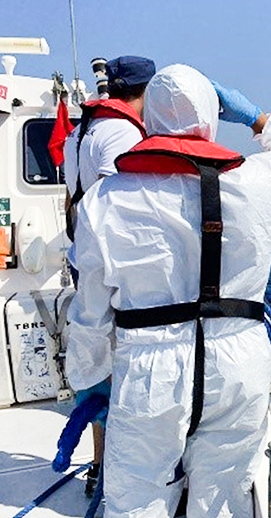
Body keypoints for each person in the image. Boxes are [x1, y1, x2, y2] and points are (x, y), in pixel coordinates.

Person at [65, 64, 271, 517]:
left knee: (136, 503)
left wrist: (89, 382)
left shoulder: (104, 200)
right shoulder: (256, 183)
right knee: (224, 501)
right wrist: (256, 118)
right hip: (240, 368)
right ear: (211, 115)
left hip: (149, 375)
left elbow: (89, 315)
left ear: (150, 121)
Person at [62, 54, 156, 497]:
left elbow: (74, 202)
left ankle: (100, 466)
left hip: (84, 262)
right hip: (111, 270)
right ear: (145, 92)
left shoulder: (79, 132)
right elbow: (116, 202)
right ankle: (118, 470)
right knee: (124, 365)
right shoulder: (120, 131)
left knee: (99, 365)